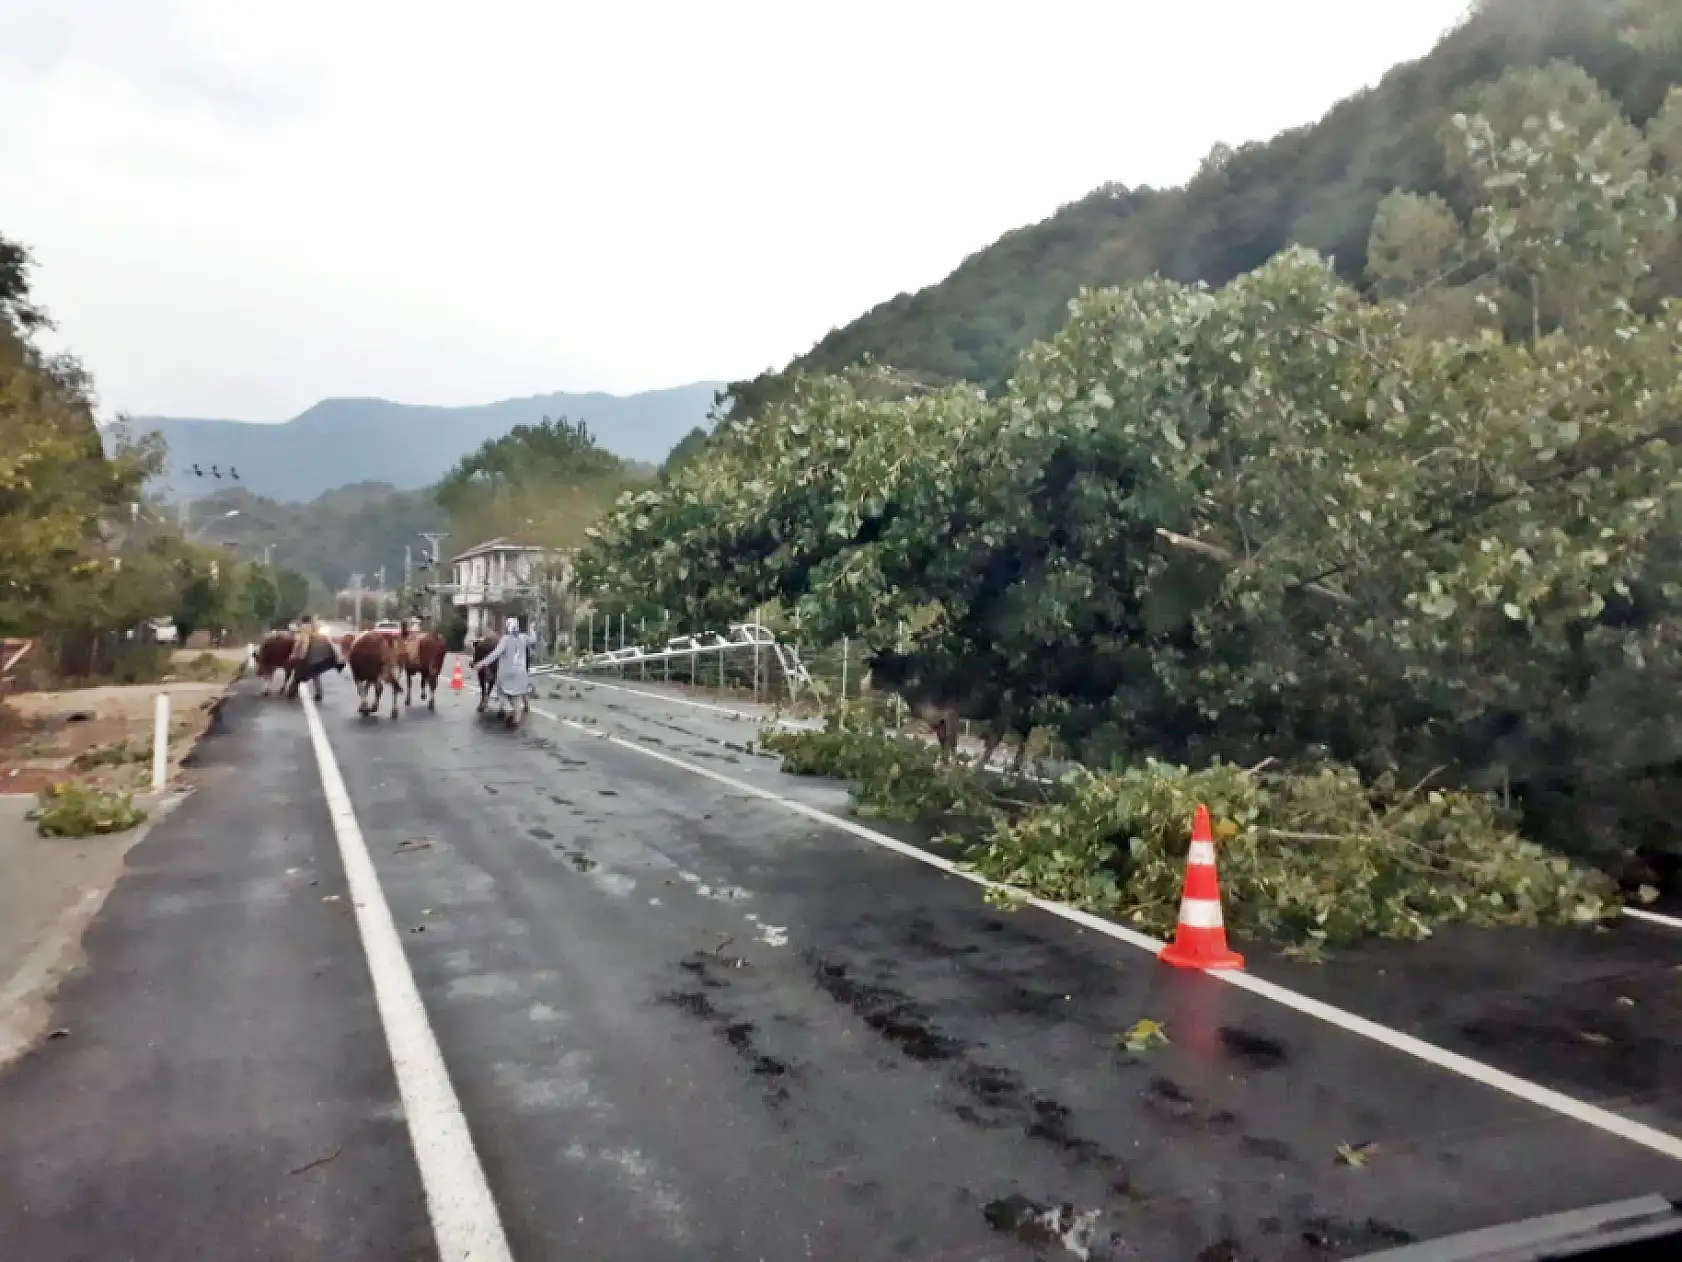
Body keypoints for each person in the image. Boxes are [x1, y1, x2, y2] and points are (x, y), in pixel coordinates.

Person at [475, 615, 536, 727]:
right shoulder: (524, 638)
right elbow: (533, 640)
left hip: (506, 672)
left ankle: (508, 709)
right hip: (520, 673)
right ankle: (516, 720)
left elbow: (495, 654)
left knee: (501, 691)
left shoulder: (505, 639)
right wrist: (532, 629)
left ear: (508, 627)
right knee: (517, 695)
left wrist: (482, 663)